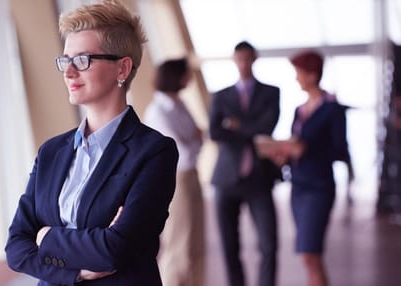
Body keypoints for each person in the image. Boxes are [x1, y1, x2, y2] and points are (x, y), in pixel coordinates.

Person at [5, 0, 179, 286]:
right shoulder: (51, 152)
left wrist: (46, 235)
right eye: (65, 60)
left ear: (122, 69)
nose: (69, 72)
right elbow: (16, 247)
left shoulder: (153, 152)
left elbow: (115, 249)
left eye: (83, 60)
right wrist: (76, 273)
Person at [268, 49, 349, 286]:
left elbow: (340, 150)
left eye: (299, 73)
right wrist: (285, 155)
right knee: (309, 255)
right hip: (298, 186)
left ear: (313, 75)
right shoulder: (299, 110)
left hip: (319, 187)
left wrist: (307, 150)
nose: (296, 78)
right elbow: (297, 146)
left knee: (309, 253)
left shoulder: (333, 109)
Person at [209, 41, 280, 286]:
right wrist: (251, 127)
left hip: (259, 178)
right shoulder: (220, 96)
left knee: (269, 244)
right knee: (229, 246)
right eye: (239, 59)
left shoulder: (272, 92)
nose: (243, 64)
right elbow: (215, 132)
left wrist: (236, 124)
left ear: (254, 59)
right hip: (225, 179)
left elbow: (268, 126)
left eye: (248, 58)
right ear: (234, 60)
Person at [143, 57, 205, 286]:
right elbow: (184, 151)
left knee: (196, 243)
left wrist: (194, 141)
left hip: (191, 175)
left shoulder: (179, 104)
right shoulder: (158, 111)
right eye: (186, 74)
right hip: (176, 179)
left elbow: (198, 139)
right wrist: (194, 140)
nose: (189, 78)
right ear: (175, 77)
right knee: (179, 242)